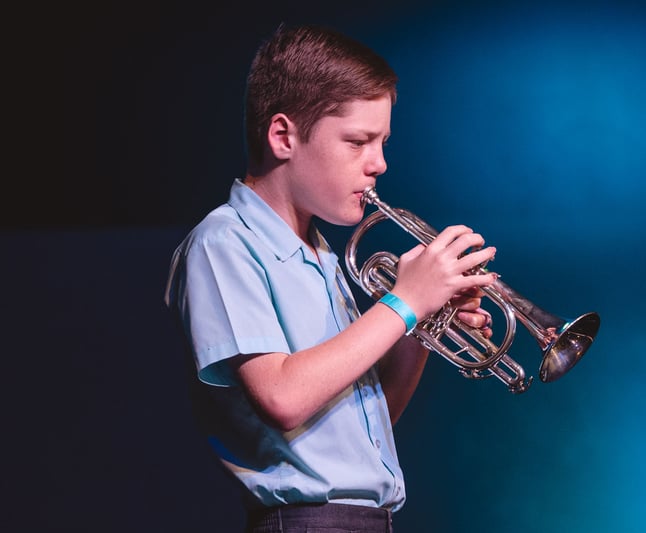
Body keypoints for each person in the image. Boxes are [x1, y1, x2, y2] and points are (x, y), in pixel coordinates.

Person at [165, 23, 497, 533]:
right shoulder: (224, 242)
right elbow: (283, 397)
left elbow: (367, 423)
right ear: (283, 136)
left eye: (382, 142)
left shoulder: (323, 257)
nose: (379, 163)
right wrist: (403, 302)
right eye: (358, 142)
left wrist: (424, 326)